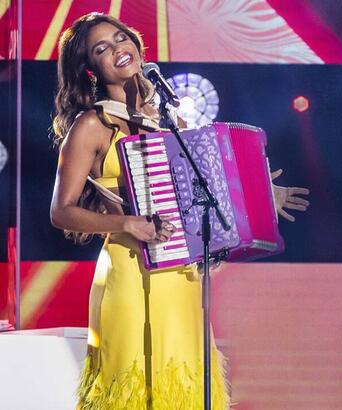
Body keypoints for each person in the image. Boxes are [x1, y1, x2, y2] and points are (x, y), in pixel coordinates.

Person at [50, 12, 308, 409]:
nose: (119, 49)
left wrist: (256, 195)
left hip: (181, 274)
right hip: (129, 271)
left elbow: (196, 194)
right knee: (133, 388)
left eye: (121, 38)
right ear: (90, 71)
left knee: (184, 386)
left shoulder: (171, 120)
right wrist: (127, 223)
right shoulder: (92, 125)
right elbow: (61, 211)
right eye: (102, 49)